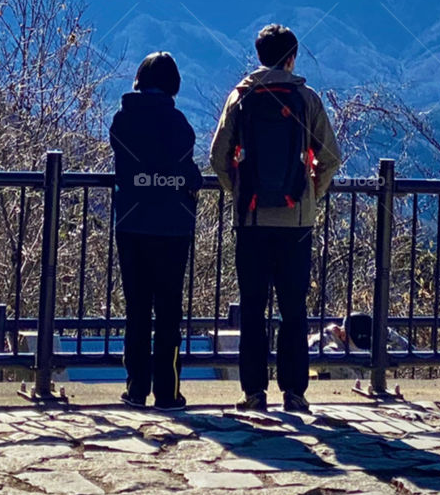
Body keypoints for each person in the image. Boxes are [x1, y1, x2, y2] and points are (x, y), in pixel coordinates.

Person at [210, 24, 340, 414]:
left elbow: (218, 156)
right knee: (293, 308)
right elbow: (330, 156)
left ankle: (253, 393)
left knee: (252, 307)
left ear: (260, 56)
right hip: (296, 223)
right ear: (292, 57)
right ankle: (295, 393)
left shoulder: (241, 96)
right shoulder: (305, 98)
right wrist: (309, 196)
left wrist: (240, 194)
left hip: (251, 221)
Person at [110, 51, 202, 411]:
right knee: (168, 310)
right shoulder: (179, 124)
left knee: (136, 308)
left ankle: (135, 388)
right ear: (173, 85)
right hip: (172, 227)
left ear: (139, 81)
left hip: (131, 224)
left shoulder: (122, 119)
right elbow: (186, 171)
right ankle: (168, 391)